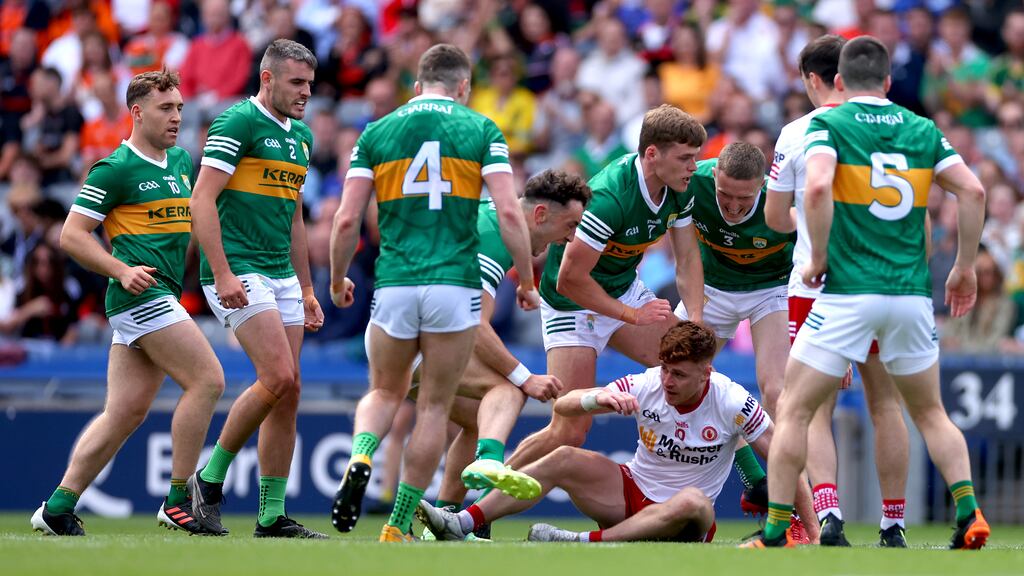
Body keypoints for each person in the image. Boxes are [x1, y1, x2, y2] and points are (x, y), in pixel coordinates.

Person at [746, 36, 990, 550]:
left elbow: (810, 193)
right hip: (908, 291)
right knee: (919, 411)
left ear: (835, 81)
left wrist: (815, 257)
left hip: (840, 290)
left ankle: (789, 524)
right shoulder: (921, 127)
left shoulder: (820, 126)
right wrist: (964, 267)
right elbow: (971, 191)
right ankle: (954, 512)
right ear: (887, 81)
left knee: (797, 408)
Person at [328, 43, 537, 543]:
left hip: (396, 281)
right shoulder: (482, 128)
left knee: (384, 391)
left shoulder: (376, 131)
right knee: (434, 409)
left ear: (416, 86)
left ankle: (361, 454)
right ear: (464, 87)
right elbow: (510, 213)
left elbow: (345, 219)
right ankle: (398, 524)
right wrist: (526, 280)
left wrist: (336, 280)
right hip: (454, 285)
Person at [31, 70, 224, 536]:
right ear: (136, 112)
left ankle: (56, 508)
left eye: (179, 107)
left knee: (124, 413)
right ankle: (179, 500)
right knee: (208, 380)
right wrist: (119, 268)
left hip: (159, 297)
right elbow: (71, 235)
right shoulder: (115, 168)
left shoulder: (179, 160)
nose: (177, 117)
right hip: (141, 297)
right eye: (165, 109)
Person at [416, 321, 811, 544]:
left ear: (706, 372)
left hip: (685, 521)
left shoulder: (730, 399)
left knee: (692, 500)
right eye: (665, 370)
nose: (668, 381)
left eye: (679, 374)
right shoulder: (648, 382)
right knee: (563, 457)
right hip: (628, 495)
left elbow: (783, 455)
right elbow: (562, 405)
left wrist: (809, 527)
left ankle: (579, 542)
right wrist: (597, 399)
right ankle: (463, 523)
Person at [764, 34, 911, 548]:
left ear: (812, 78)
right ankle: (893, 525)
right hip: (888, 281)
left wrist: (808, 224)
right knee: (886, 406)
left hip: (817, 280)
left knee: (810, 408)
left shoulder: (800, 132)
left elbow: (774, 218)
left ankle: (828, 515)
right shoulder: (899, 127)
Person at [504, 104, 706, 472]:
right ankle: (475, 504)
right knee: (571, 430)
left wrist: (693, 319)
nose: (694, 167)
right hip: (570, 304)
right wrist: (631, 315)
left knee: (692, 365)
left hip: (622, 289)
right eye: (686, 158)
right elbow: (570, 280)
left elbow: (689, 259)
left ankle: (753, 481)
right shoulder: (610, 198)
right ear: (652, 154)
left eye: (696, 158)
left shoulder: (680, 188)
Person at [187, 39, 325, 539]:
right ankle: (209, 478)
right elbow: (201, 200)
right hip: (238, 268)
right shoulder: (237, 123)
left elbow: (294, 214)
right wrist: (221, 273)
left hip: (283, 275)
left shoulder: (302, 136)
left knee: (288, 392)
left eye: (309, 83)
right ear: (267, 79)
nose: (306, 92)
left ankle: (270, 516)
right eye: (296, 82)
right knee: (277, 377)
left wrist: (308, 287)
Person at [673, 140, 820, 543]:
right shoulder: (692, 182)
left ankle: (798, 519)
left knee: (776, 391)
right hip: (711, 290)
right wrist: (698, 329)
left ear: (764, 185)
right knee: (672, 375)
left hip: (770, 290)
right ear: (714, 175)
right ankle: (754, 480)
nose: (734, 207)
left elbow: (818, 260)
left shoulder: (786, 196)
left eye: (744, 197)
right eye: (724, 194)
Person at [423, 170, 590, 517]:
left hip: (403, 330)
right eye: (570, 225)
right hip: (417, 341)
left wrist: (525, 281)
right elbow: (475, 325)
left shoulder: (492, 217)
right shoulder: (493, 237)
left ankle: (445, 520)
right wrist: (525, 377)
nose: (571, 238)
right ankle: (490, 460)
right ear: (540, 215)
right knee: (508, 390)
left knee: (479, 417)